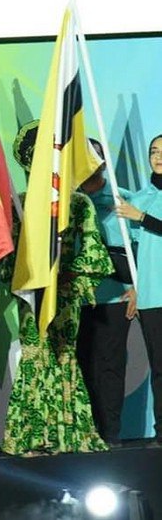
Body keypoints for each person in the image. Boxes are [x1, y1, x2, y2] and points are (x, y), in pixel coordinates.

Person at [2, 121, 111, 456]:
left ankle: (70, 433)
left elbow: (93, 250)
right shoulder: (17, 205)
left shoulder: (78, 203)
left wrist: (72, 278)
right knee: (35, 356)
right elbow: (10, 256)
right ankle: (33, 436)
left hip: (64, 294)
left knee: (63, 355)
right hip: (32, 293)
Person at [77, 139, 137, 448]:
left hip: (114, 299)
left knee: (109, 366)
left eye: (92, 155)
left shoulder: (122, 200)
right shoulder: (65, 204)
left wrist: (139, 287)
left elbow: (143, 250)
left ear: (102, 160)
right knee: (81, 367)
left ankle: (109, 435)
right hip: (75, 299)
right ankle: (86, 435)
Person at [114, 133, 162, 444]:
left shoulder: (139, 209)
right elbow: (129, 248)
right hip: (153, 297)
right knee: (159, 368)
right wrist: (133, 284)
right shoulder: (139, 198)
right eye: (154, 151)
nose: (158, 156)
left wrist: (142, 218)